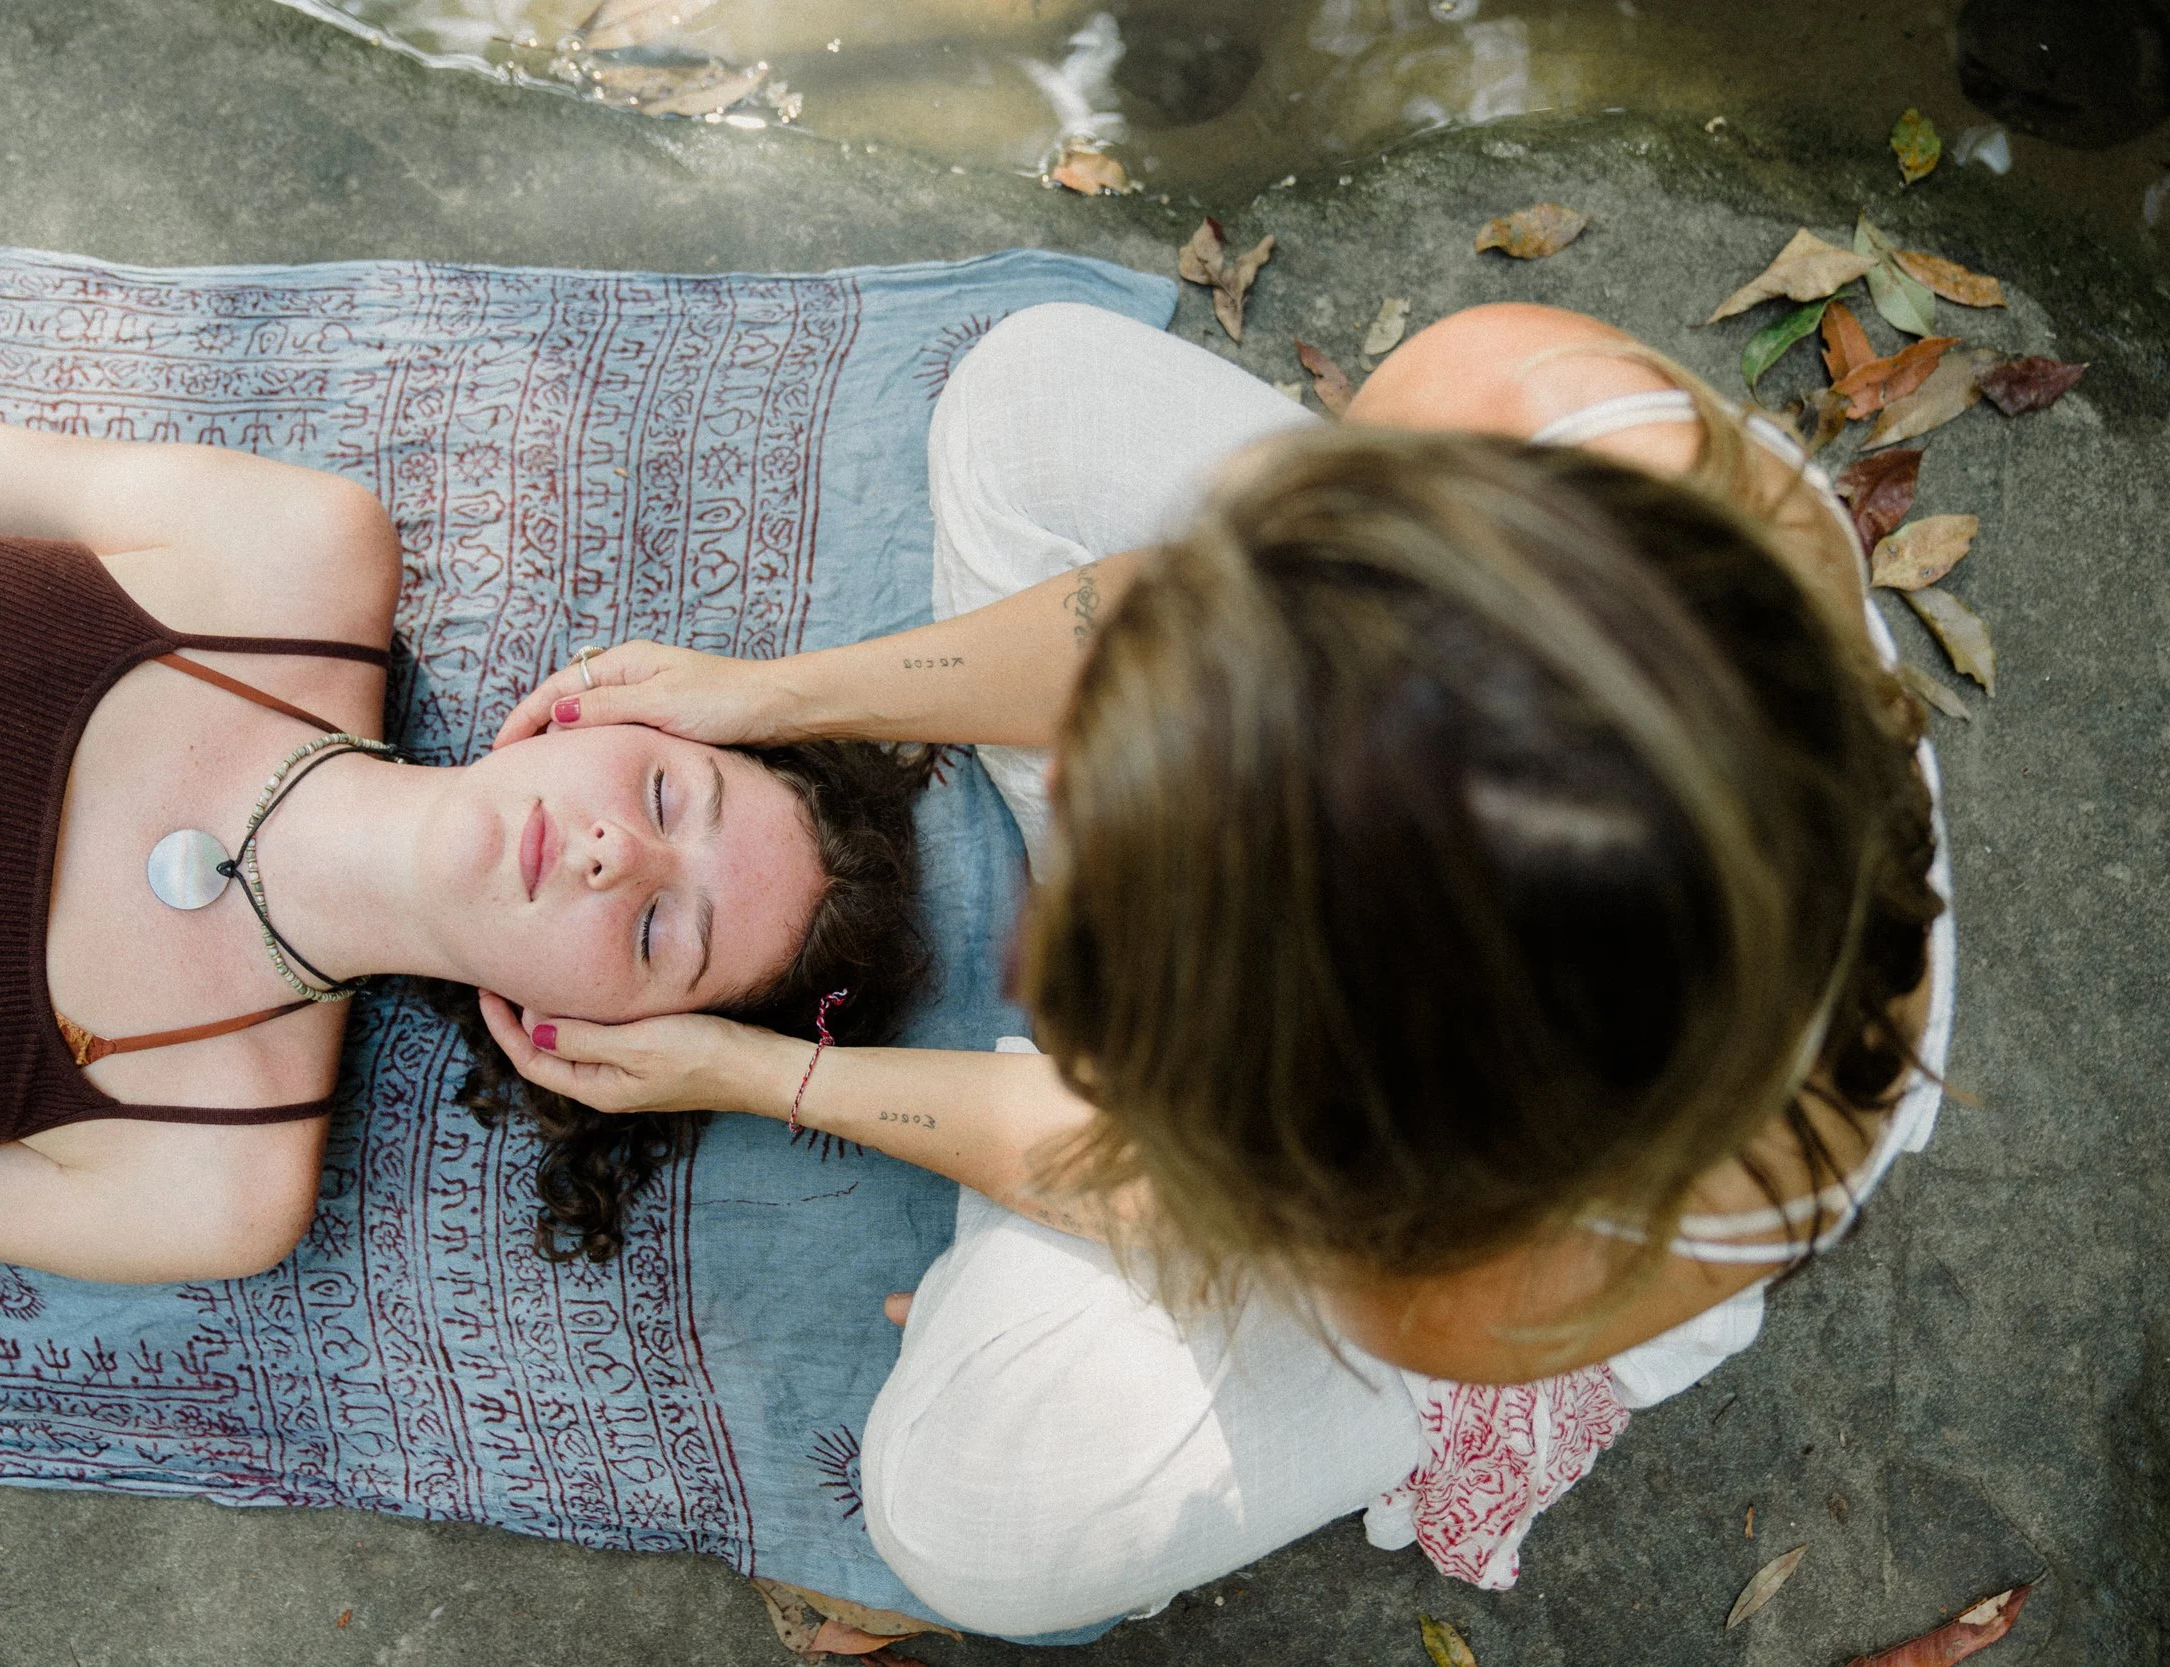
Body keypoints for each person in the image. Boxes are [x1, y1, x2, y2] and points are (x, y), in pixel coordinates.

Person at [464, 300, 1954, 1632]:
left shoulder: (1519, 1241)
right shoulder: (1521, 399)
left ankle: (1149, 1343)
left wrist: (771, 1069)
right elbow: (1170, 609)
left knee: (964, 1511)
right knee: (1024, 399)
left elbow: (1166, 1184)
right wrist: (788, 701)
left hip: (1504, 1186)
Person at [0, 320, 928, 1285]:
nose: (617, 852)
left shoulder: (208, 1173)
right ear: (593, 707)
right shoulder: (292, 554)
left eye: (664, 931)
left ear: (583, 1038)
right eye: (667, 791)